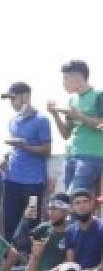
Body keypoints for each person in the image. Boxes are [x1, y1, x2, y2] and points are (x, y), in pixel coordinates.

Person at [0, 82, 52, 241]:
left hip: (33, 182)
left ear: (26, 96)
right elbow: (14, 148)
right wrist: (5, 157)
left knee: (31, 222)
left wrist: (24, 145)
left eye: (13, 99)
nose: (12, 103)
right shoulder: (13, 121)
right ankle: (12, 259)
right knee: (9, 221)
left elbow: (46, 149)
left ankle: (30, 259)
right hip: (11, 179)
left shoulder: (42, 120)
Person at [49, 60, 103, 193]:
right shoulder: (72, 100)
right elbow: (66, 134)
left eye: (65, 78)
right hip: (71, 156)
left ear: (78, 77)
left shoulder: (99, 95)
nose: (63, 83)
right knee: (70, 201)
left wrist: (79, 116)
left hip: (91, 157)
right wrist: (54, 114)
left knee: (74, 197)